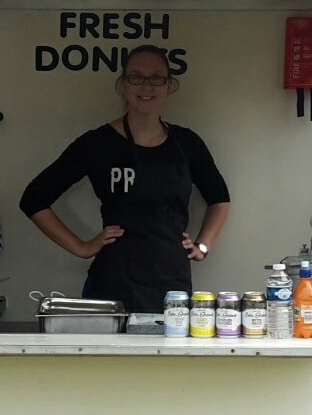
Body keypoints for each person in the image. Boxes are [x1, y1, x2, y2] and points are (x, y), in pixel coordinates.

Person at [19, 45, 231, 313]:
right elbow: (34, 198)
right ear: (122, 85)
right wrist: (83, 247)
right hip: (113, 282)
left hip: (171, 281)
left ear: (169, 86)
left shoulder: (187, 144)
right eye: (136, 77)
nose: (147, 86)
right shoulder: (97, 143)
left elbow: (220, 199)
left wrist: (203, 245)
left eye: (157, 78)